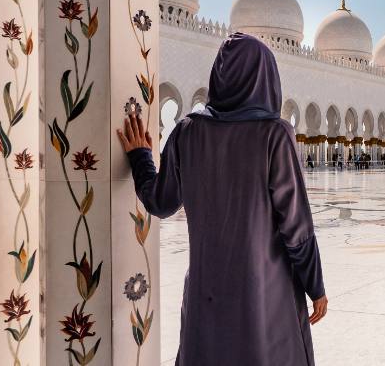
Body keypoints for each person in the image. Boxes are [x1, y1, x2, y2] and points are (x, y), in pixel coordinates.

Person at [118, 32, 327, 365]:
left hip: (207, 297)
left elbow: (160, 202)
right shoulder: (275, 134)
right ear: (265, 78)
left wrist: (142, 157)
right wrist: (315, 285)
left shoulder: (187, 131)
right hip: (264, 298)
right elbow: (296, 227)